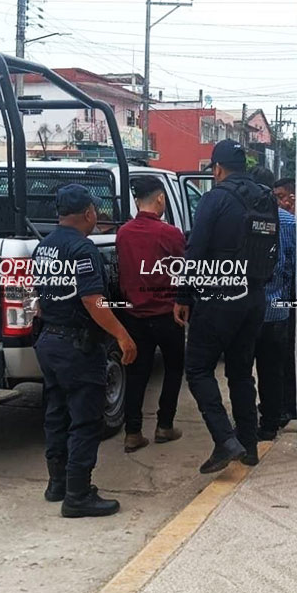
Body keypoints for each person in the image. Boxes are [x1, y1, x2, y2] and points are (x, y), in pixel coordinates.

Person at [33, 184, 137, 518]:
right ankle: (78, 496)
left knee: (56, 413)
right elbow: (93, 300)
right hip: (76, 346)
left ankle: (57, 484)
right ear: (90, 213)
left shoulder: (43, 247)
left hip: (49, 341)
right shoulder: (83, 249)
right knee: (85, 419)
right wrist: (123, 336)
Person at [174, 139, 278, 473]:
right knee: (240, 372)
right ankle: (248, 446)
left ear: (217, 169)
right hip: (254, 297)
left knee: (199, 368)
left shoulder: (214, 198)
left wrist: (183, 296)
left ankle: (224, 440)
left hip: (219, 298)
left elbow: (196, 250)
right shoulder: (267, 198)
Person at [115, 177, 187, 453]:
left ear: (136, 201)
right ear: (160, 199)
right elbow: (183, 272)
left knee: (136, 373)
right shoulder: (172, 234)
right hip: (167, 315)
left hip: (134, 316)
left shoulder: (123, 233)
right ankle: (164, 426)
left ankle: (133, 433)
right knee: (173, 369)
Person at [250, 169, 297, 440]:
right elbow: (295, 267)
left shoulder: (240, 218)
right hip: (278, 310)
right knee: (272, 369)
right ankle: (270, 423)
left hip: (245, 309)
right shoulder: (288, 222)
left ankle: (245, 424)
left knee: (242, 372)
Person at [272, 177, 297, 427]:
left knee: (288, 354)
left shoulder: (295, 223)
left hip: (292, 299)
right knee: (282, 355)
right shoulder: (280, 221)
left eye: (281, 197)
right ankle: (284, 405)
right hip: (283, 300)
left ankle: (288, 405)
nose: (278, 202)